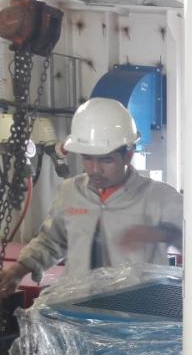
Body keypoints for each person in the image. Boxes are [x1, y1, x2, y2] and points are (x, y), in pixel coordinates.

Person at [0, 98, 182, 297]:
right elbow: (51, 241)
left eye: (106, 160)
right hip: (77, 306)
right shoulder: (71, 192)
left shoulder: (159, 198)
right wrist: (17, 271)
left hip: (137, 310)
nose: (95, 169)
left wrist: (164, 234)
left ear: (128, 156)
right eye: (87, 158)